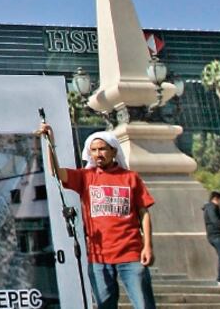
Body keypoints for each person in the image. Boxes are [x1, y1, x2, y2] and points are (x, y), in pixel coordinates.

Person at [38, 124, 155, 309]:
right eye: (93, 150)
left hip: (131, 254)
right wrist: (49, 142)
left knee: (144, 304)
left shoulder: (131, 177)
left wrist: (147, 246)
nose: (98, 154)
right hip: (99, 257)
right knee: (104, 305)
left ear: (113, 151)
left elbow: (144, 213)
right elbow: (56, 172)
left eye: (102, 149)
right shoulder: (86, 176)